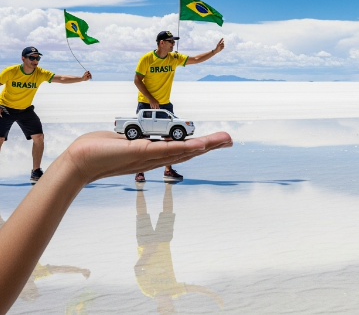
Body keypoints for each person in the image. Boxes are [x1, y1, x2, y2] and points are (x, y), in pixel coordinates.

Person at [0, 130, 232, 313]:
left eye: (166, 310)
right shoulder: (170, 291)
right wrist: (214, 296)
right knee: (151, 213)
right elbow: (191, 287)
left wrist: (74, 166)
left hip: (152, 246)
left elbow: (139, 269)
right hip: (156, 246)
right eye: (171, 309)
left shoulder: (151, 291)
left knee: (158, 213)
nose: (169, 307)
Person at [134, 31, 224, 183]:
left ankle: (168, 170)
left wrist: (214, 51)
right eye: (170, 41)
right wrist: (150, 99)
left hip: (165, 104)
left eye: (174, 41)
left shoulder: (174, 58)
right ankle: (139, 171)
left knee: (170, 138)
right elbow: (137, 80)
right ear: (161, 43)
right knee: (143, 139)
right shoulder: (147, 59)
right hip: (146, 104)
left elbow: (195, 59)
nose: (173, 44)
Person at [0, 46, 92, 183]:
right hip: (5, 108)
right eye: (32, 57)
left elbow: (60, 78)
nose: (35, 60)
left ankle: (36, 171)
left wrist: (81, 79)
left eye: (37, 57)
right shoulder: (11, 71)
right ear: (23, 58)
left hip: (25, 110)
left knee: (38, 136)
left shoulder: (40, 73)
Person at [135, 182, 223, 313]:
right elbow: (196, 288)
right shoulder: (175, 291)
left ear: (160, 308)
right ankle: (168, 185)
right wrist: (214, 296)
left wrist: (147, 253)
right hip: (163, 242)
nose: (170, 302)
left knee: (142, 214)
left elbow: (137, 269)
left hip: (145, 244)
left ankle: (139, 186)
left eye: (168, 307)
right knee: (167, 213)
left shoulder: (148, 291)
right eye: (172, 306)